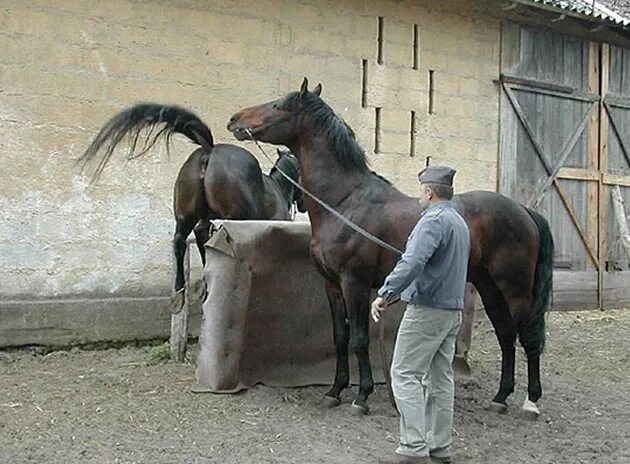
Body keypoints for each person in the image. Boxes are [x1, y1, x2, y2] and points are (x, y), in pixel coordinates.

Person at [371, 165, 470, 464]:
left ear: (429, 191)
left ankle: (413, 446)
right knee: (441, 379)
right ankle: (439, 447)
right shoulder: (458, 222)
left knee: (404, 373)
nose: (418, 199)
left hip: (427, 310)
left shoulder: (432, 221)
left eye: (420, 192)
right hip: (452, 312)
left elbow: (413, 262)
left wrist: (386, 293)